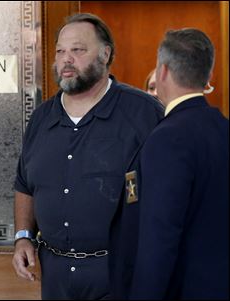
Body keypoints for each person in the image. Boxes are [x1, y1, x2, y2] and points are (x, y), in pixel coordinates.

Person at [12, 13, 163, 300]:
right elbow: (24, 184)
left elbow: (173, 188)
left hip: (120, 271)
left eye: (78, 50)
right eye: (60, 51)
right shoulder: (41, 117)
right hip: (54, 274)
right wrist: (23, 237)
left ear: (105, 54)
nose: (66, 59)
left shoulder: (144, 112)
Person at [109, 28, 229, 300]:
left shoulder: (168, 138)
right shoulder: (223, 129)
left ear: (162, 71)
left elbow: (159, 237)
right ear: (208, 76)